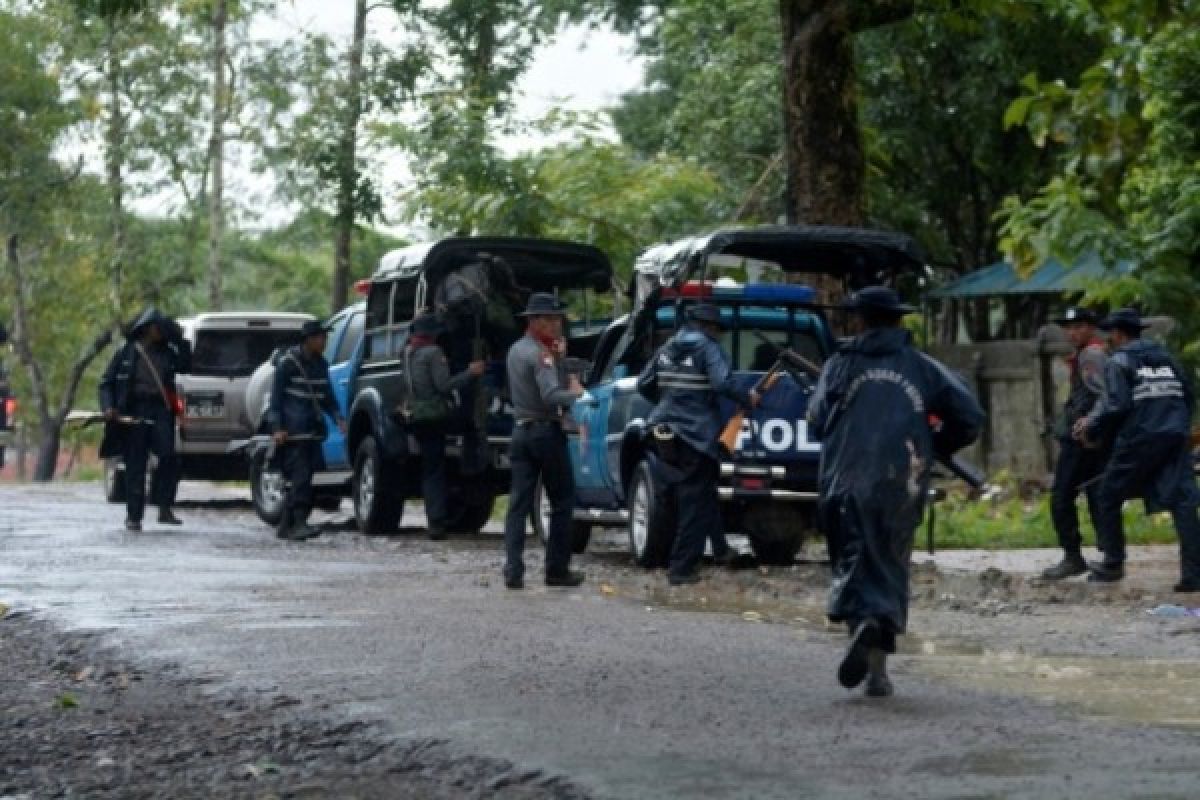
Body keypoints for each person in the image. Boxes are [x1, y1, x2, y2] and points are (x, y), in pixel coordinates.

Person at [807, 286, 984, 697]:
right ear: (898, 320)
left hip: (843, 477)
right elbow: (970, 417)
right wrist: (937, 440)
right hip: (901, 479)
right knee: (889, 561)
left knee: (852, 558)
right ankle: (878, 667)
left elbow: (816, 420)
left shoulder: (839, 365)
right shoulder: (924, 368)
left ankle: (864, 629)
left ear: (860, 320)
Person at [1074, 308, 1200, 591]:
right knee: (1184, 502)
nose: (1107, 341)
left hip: (1140, 439)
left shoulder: (1119, 361)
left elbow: (1115, 404)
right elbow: (1188, 396)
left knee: (1106, 494)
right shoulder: (1168, 359)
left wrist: (1091, 423)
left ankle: (1112, 564)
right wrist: (1178, 426)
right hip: (1175, 436)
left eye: (1110, 336)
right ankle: (1194, 576)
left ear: (1118, 334)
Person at [636, 303, 760, 585]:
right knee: (695, 501)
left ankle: (717, 550)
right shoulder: (708, 347)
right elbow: (722, 383)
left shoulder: (667, 347)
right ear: (711, 327)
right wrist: (747, 397)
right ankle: (681, 569)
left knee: (684, 497)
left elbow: (644, 383)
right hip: (697, 436)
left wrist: (669, 402)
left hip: (664, 432)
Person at [502, 292, 585, 590]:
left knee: (518, 505)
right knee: (562, 501)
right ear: (535, 321)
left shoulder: (515, 350)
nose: (557, 324)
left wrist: (560, 359)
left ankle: (513, 569)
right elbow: (551, 395)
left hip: (521, 430)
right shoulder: (541, 354)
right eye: (551, 319)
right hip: (545, 432)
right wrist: (578, 396)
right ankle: (556, 570)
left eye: (558, 318)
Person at [98, 308, 192, 532]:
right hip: (134, 410)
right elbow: (106, 382)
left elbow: (186, 365)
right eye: (158, 328)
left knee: (168, 458)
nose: (159, 333)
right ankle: (134, 516)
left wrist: (181, 340)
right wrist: (109, 407)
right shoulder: (126, 353)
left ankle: (164, 506)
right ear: (148, 328)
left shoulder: (169, 352)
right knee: (135, 464)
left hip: (160, 409)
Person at [1042, 307, 1111, 580]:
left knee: (1061, 498)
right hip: (1092, 438)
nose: (1072, 332)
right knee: (1097, 495)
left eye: (1078, 326)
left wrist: (1088, 424)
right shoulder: (1092, 353)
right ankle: (1110, 555)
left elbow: (1104, 395)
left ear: (1091, 327)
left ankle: (1073, 557)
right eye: (1068, 327)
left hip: (1082, 440)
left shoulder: (1091, 355)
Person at [404, 312, 485, 540]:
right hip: (435, 417)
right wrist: (471, 372)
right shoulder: (433, 352)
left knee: (430, 468)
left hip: (418, 416)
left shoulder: (408, 352)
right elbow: (445, 386)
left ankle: (436, 518)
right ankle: (437, 522)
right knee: (436, 470)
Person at [267, 319, 346, 541]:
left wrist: (338, 417)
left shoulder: (322, 365)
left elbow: (327, 396)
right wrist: (277, 428)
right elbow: (276, 400)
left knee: (308, 476)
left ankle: (285, 526)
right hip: (293, 433)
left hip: (312, 431)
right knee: (300, 477)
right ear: (308, 340)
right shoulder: (287, 364)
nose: (324, 342)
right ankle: (299, 524)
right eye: (321, 337)